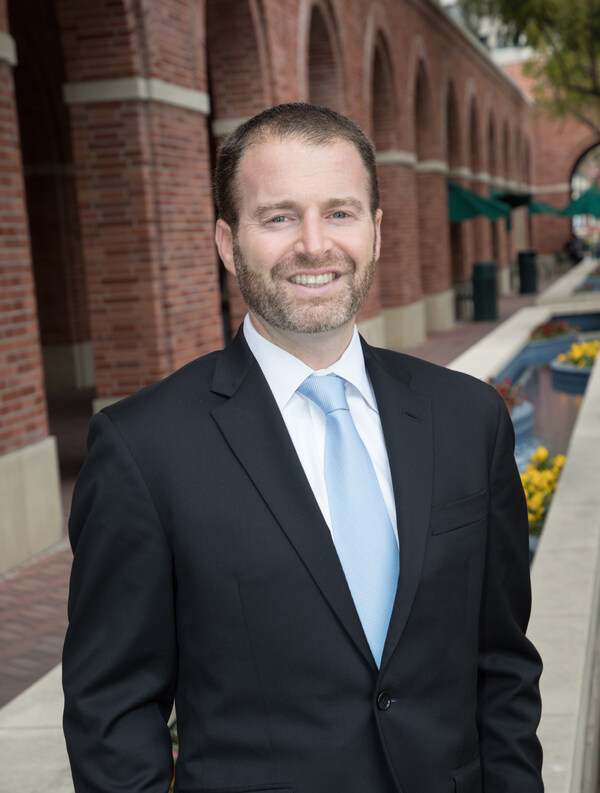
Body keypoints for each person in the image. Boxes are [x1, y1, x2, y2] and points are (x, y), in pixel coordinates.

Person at [63, 103, 543, 793]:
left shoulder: (469, 419)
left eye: (340, 212)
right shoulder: (143, 449)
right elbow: (111, 714)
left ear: (376, 232)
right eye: (279, 216)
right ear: (228, 243)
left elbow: (502, 666)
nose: (315, 245)